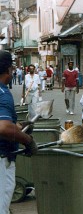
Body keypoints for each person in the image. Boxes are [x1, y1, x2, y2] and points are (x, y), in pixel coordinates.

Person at [0, 50, 38, 213]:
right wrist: (27, 140)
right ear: (8, 70)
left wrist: (18, 126)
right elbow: (2, 128)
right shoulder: (2, 93)